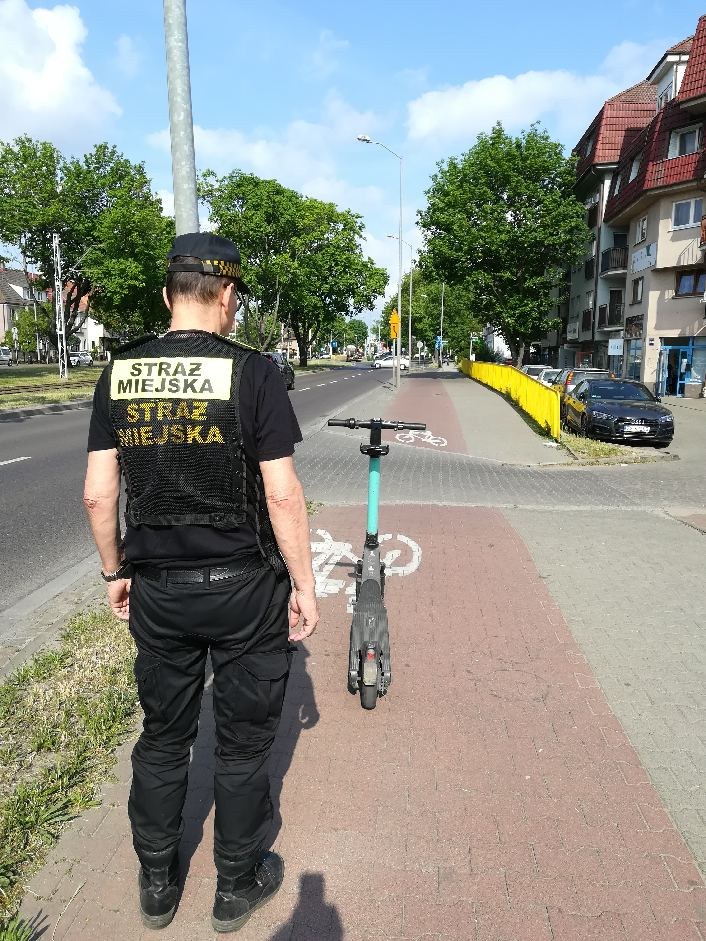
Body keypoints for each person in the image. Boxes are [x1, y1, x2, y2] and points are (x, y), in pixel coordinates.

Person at [82, 232, 319, 933]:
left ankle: (157, 882)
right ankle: (236, 883)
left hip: (158, 588)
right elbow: (282, 495)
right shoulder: (254, 373)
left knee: (163, 735)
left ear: (166, 295)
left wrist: (114, 570)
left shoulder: (119, 372)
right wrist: (304, 583)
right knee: (243, 745)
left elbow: (99, 494)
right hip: (244, 589)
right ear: (227, 298)